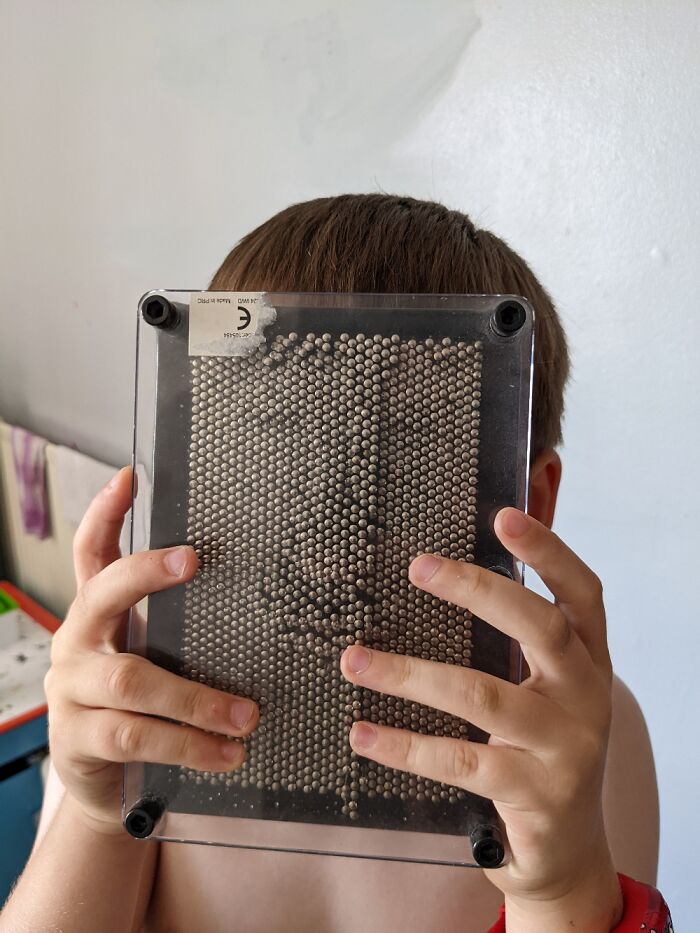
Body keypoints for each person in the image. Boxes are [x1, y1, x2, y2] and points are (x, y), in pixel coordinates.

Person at [0, 195, 666, 932]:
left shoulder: (569, 742)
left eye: (408, 452)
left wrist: (561, 887)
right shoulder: (149, 694)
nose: (327, 522)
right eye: (282, 449)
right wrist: (96, 812)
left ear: (527, 502)